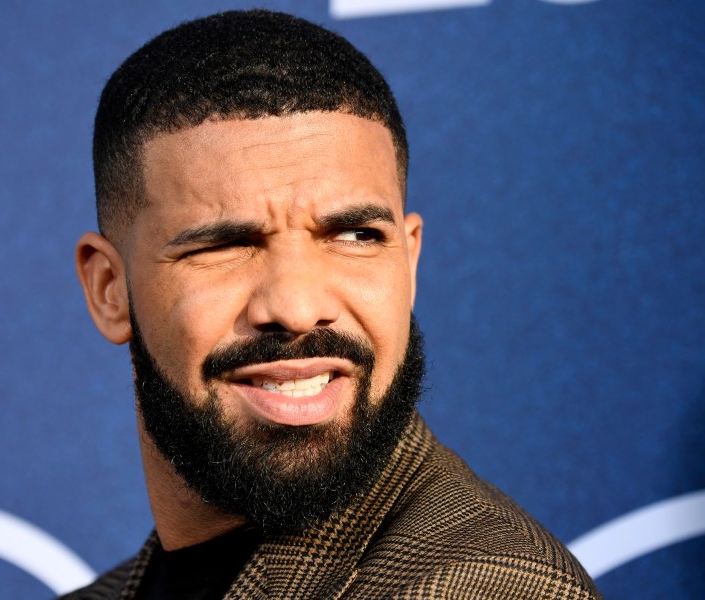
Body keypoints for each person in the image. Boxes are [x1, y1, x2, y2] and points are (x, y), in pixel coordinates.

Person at [66, 9, 601, 599]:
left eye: (356, 237)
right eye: (226, 245)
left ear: (410, 259)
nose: (297, 308)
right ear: (109, 290)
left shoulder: (488, 586)